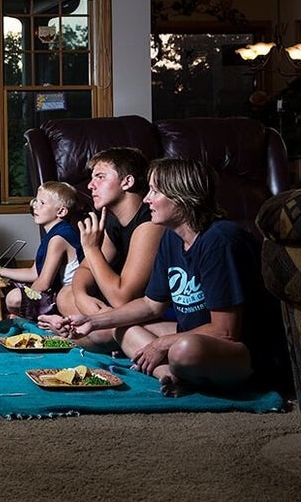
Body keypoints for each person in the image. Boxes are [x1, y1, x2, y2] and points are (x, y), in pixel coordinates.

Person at [52, 157, 278, 397]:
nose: (147, 199)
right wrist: (93, 321)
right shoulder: (172, 238)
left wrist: (161, 344)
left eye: (155, 191)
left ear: (182, 197)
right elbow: (151, 305)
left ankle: (185, 370)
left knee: (184, 350)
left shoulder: (220, 240)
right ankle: (167, 374)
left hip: (242, 350)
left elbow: (225, 330)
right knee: (123, 328)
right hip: (191, 333)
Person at [38, 147, 163, 350]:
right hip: (112, 304)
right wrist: (82, 297)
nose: (90, 185)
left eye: (100, 177)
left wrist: (91, 248)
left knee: (101, 328)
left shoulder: (149, 224)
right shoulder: (113, 221)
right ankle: (99, 333)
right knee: (65, 294)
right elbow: (85, 270)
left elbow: (123, 298)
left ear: (127, 182)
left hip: (143, 308)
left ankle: (95, 335)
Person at [0, 181, 83, 319]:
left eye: (42, 203)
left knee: (13, 298)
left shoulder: (59, 238)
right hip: (56, 290)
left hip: (68, 295)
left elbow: (43, 283)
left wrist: (26, 299)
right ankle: (23, 316)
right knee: (10, 288)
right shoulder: (53, 234)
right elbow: (34, 273)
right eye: (35, 201)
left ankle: (29, 319)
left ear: (61, 211)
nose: (35, 206)